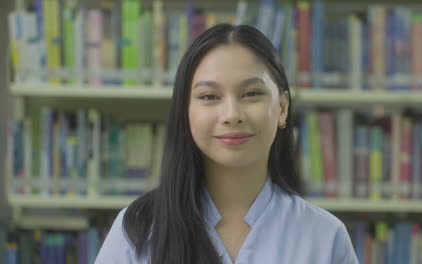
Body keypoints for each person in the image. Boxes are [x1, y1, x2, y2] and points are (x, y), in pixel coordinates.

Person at [95, 24, 358, 264]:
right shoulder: (137, 231)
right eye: (209, 96)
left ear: (282, 108)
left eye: (251, 94)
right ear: (185, 112)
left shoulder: (325, 237)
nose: (232, 114)